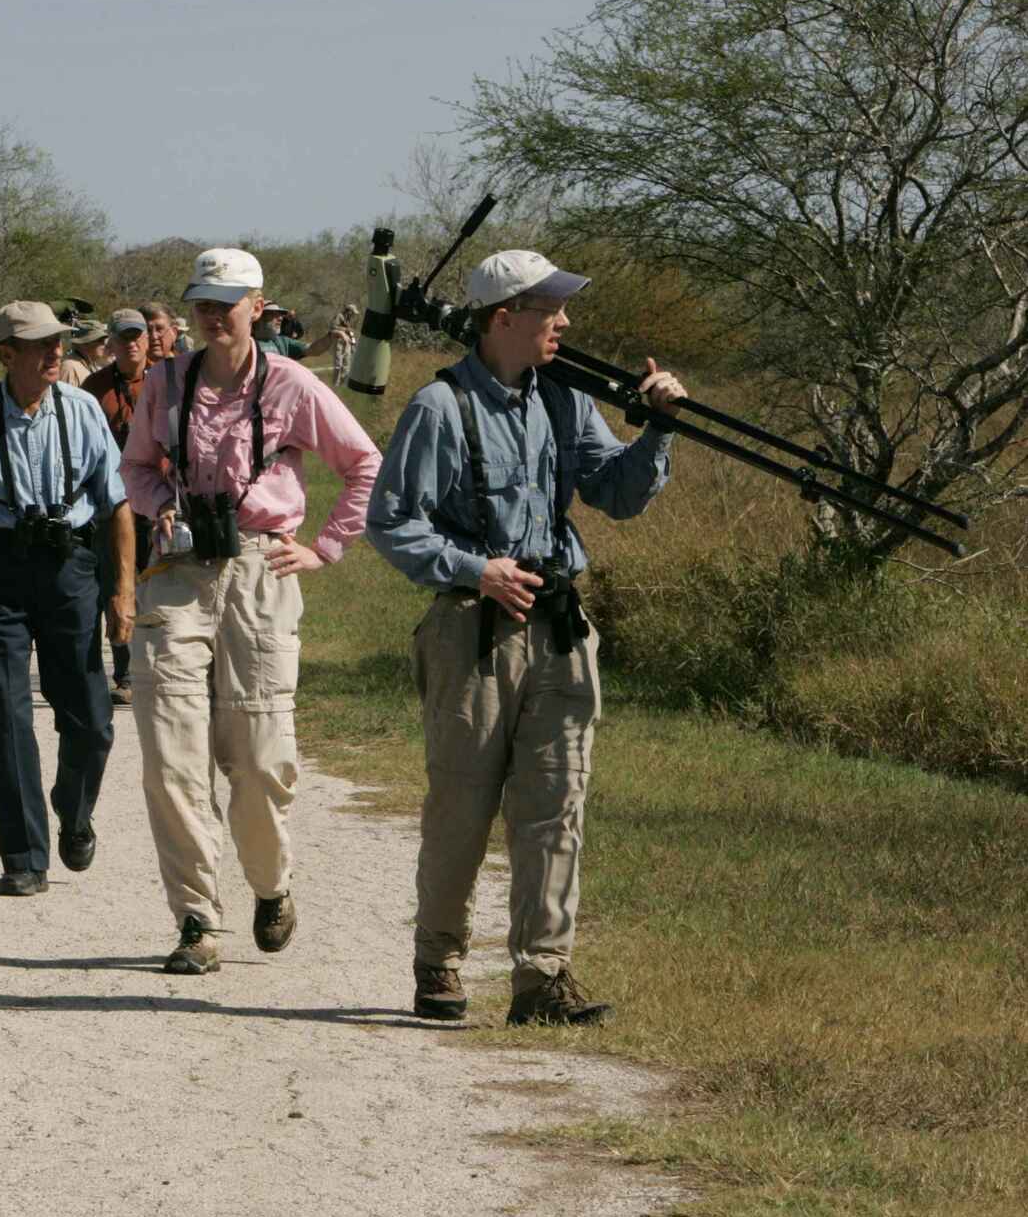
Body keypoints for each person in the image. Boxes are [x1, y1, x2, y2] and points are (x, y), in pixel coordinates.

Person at [365, 248, 685, 1027]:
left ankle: (542, 978)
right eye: (550, 310)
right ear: (504, 318)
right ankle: (438, 963)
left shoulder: (565, 398)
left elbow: (616, 494)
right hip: (471, 632)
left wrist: (658, 429)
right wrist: (476, 569)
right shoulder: (439, 407)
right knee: (462, 807)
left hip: (560, 628)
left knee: (556, 803)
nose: (564, 323)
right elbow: (391, 521)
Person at [122, 248, 382, 976]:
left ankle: (271, 884)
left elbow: (363, 464)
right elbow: (136, 466)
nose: (213, 316)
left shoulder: (292, 383)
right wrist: (159, 505)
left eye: (226, 303)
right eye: (202, 303)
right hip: (177, 573)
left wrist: (325, 548)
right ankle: (197, 920)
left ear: (257, 306)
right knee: (170, 757)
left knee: (261, 759)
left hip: (261, 570)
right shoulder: (166, 382)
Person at [0, 301, 134, 897]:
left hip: (70, 566)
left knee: (90, 715)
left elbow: (117, 505)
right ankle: (22, 854)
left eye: (58, 342)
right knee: (5, 713)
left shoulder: (83, 410)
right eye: (41, 344)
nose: (55, 352)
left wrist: (123, 590)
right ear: (6, 355)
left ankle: (74, 806)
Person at [82, 308, 154, 704]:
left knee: (157, 586)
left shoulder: (165, 381)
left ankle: (157, 671)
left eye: (137, 335)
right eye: (123, 337)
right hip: (109, 505)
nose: (131, 344)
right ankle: (124, 674)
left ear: (147, 339)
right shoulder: (94, 388)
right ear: (110, 342)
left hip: (156, 503)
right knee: (113, 584)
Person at [254, 301, 342, 362]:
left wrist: (330, 337)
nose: (280, 318)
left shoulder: (283, 342)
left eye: (280, 314)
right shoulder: (248, 342)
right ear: (258, 317)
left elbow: (312, 349)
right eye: (273, 314)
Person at [60, 319, 108, 387]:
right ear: (85, 344)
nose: (104, 344)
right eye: (100, 340)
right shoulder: (69, 367)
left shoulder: (90, 364)